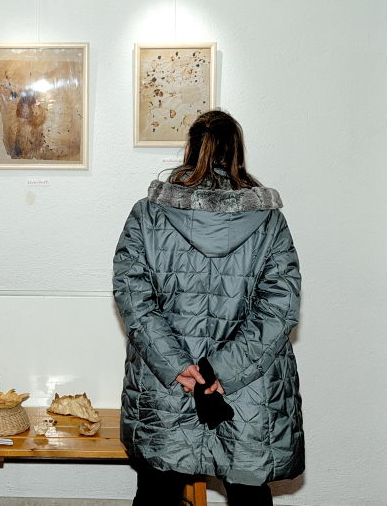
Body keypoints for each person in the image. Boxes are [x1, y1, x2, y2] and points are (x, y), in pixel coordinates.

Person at [112, 110, 305, 505]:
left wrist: (178, 365)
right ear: (238, 156)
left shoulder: (147, 214)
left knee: (157, 495)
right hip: (247, 390)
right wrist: (220, 371)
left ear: (188, 151)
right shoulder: (269, 222)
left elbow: (133, 297)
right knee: (249, 495)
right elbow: (280, 308)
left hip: (168, 385)